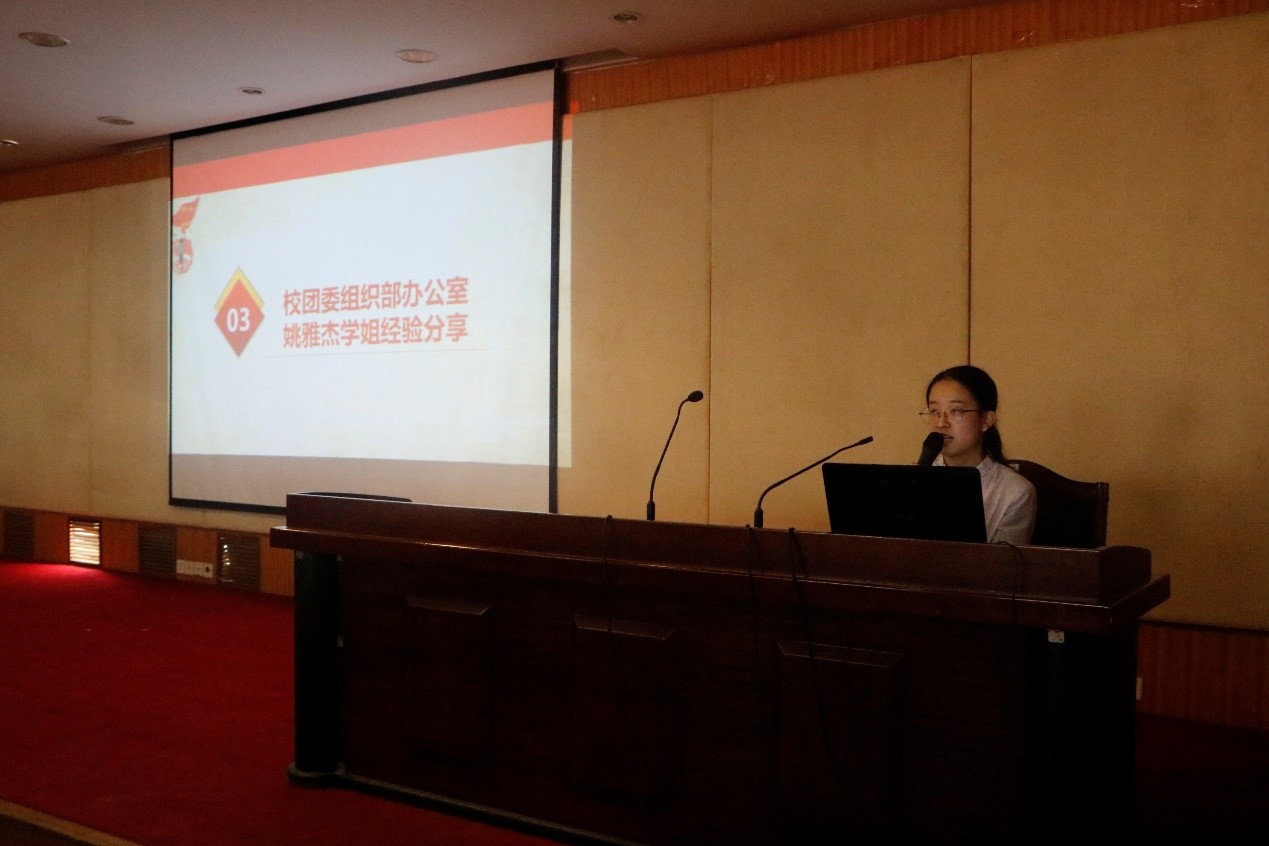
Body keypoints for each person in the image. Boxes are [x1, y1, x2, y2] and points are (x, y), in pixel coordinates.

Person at [922, 365, 1036, 545]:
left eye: (955, 411)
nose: (941, 423)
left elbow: (1002, 561)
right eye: (934, 411)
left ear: (986, 420)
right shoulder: (917, 478)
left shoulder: (1015, 492)